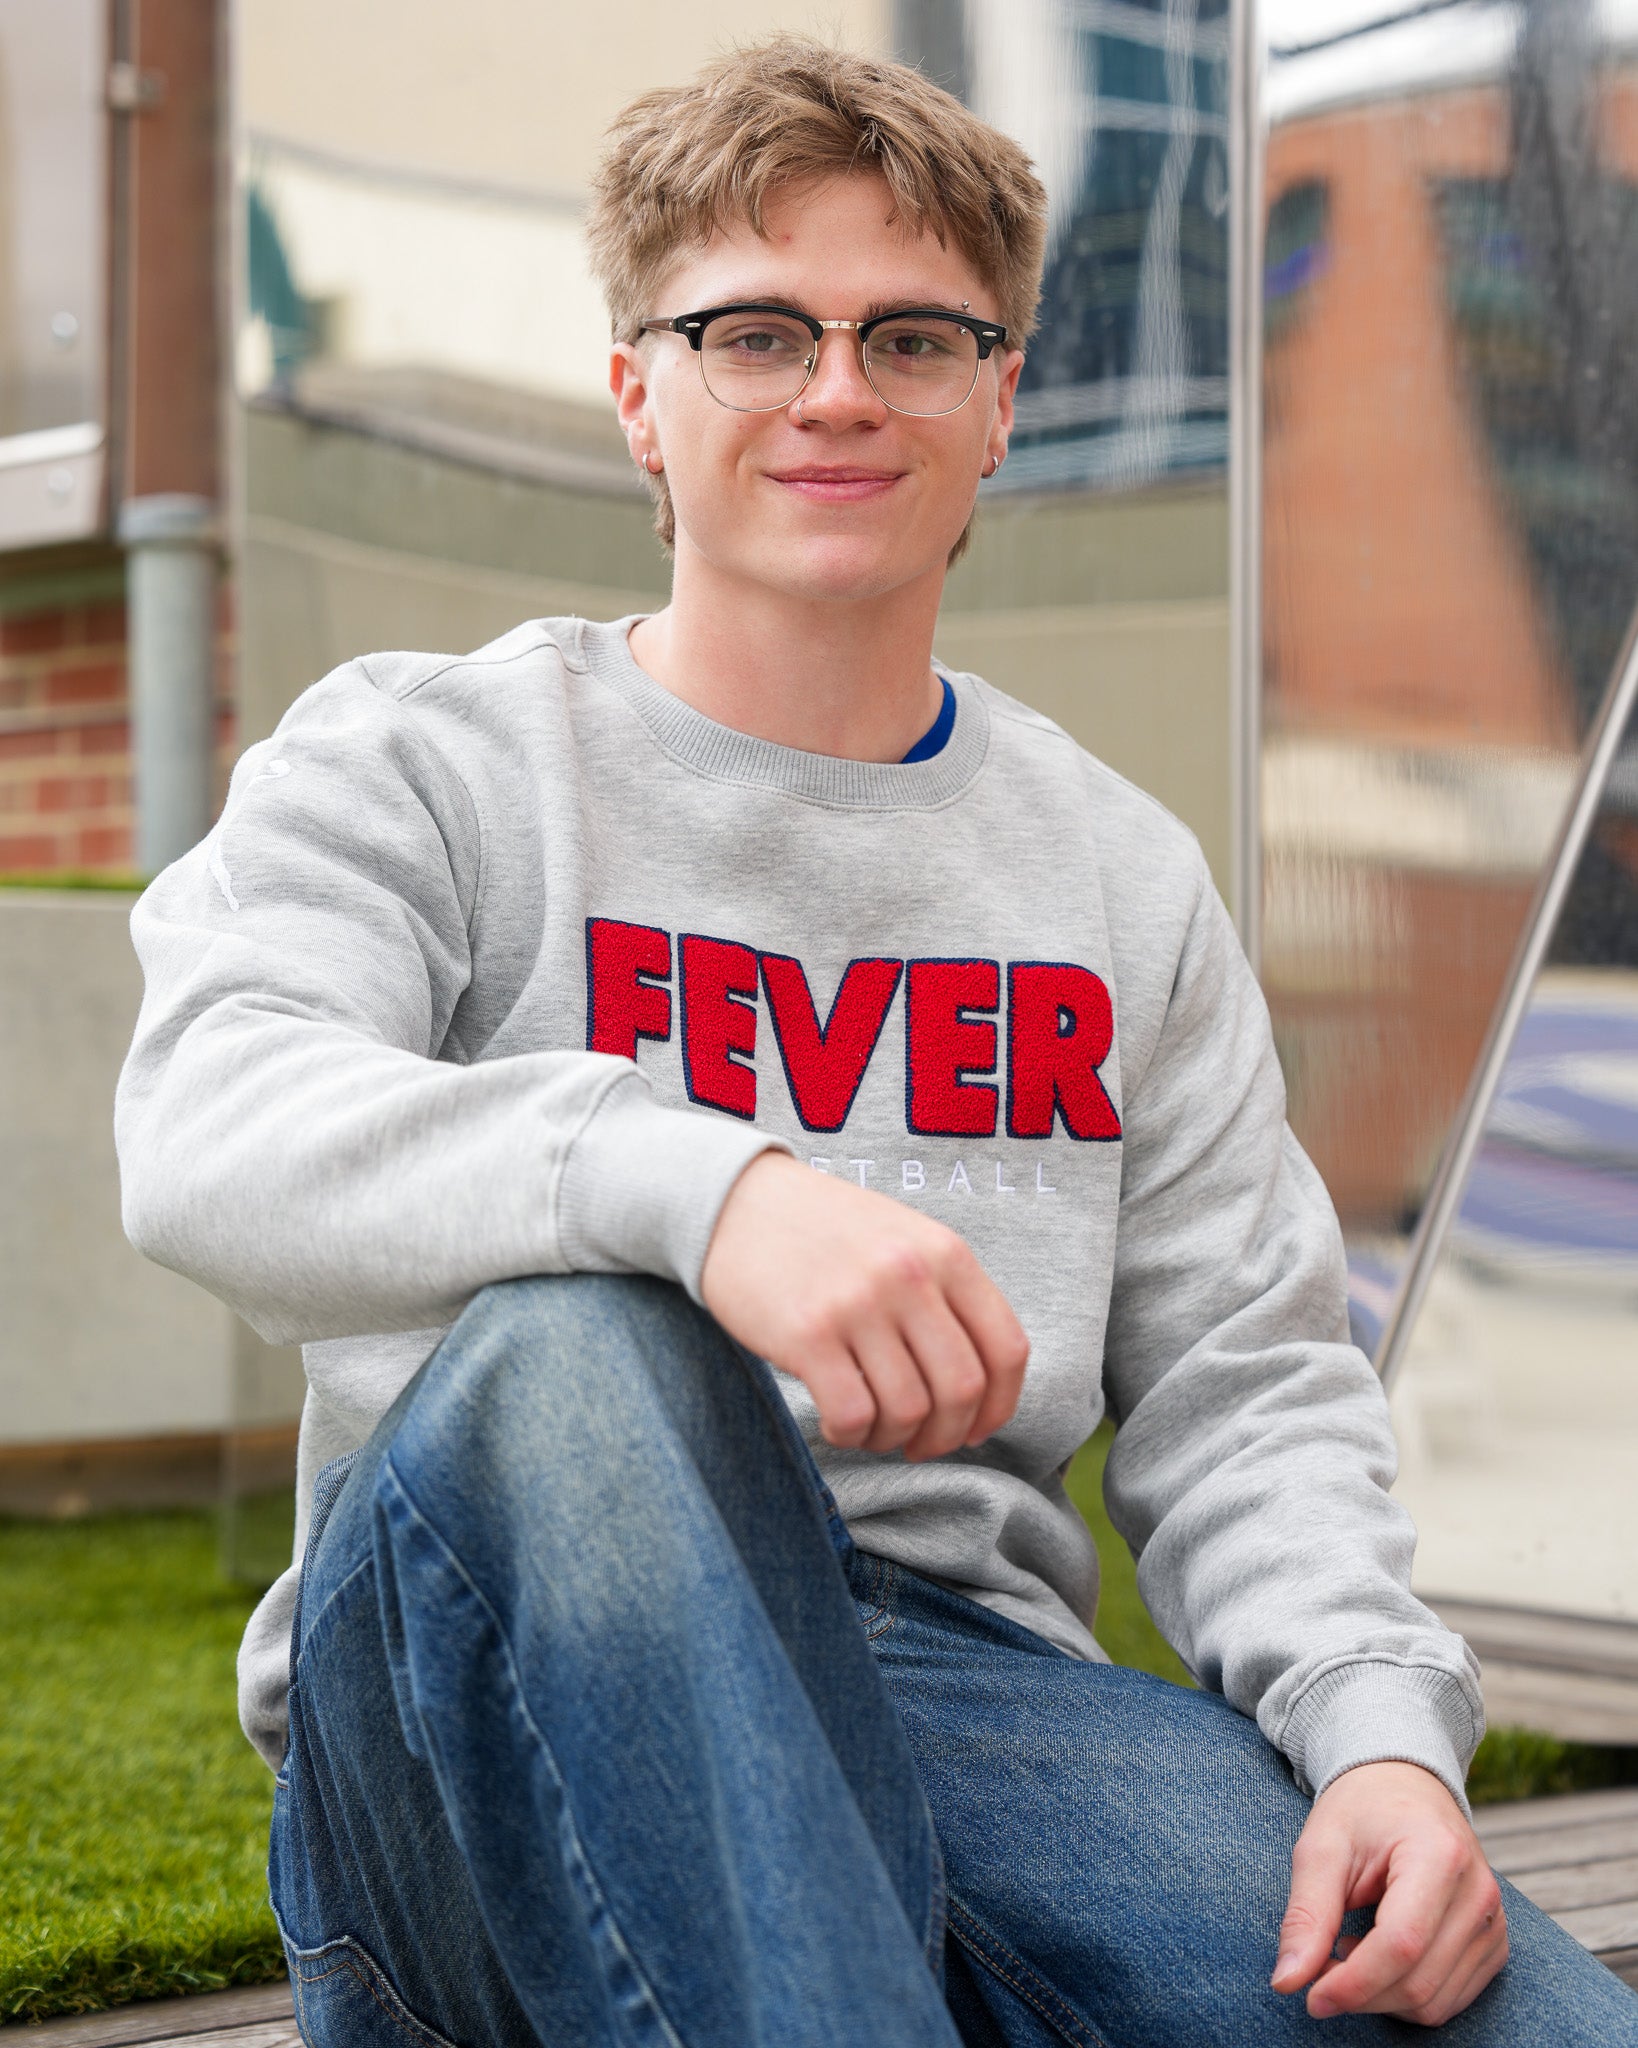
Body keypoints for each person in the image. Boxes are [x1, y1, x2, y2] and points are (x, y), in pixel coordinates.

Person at [115, 35, 1637, 2048]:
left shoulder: (1115, 875)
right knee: (588, 1341)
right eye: (754, 332)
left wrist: (1376, 1735)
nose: (838, 390)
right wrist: (701, 1190)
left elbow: (1249, 1389)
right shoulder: (422, 759)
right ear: (638, 394)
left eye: (914, 338)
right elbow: (205, 1120)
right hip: (486, 1704)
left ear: (997, 403)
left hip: (971, 1706)